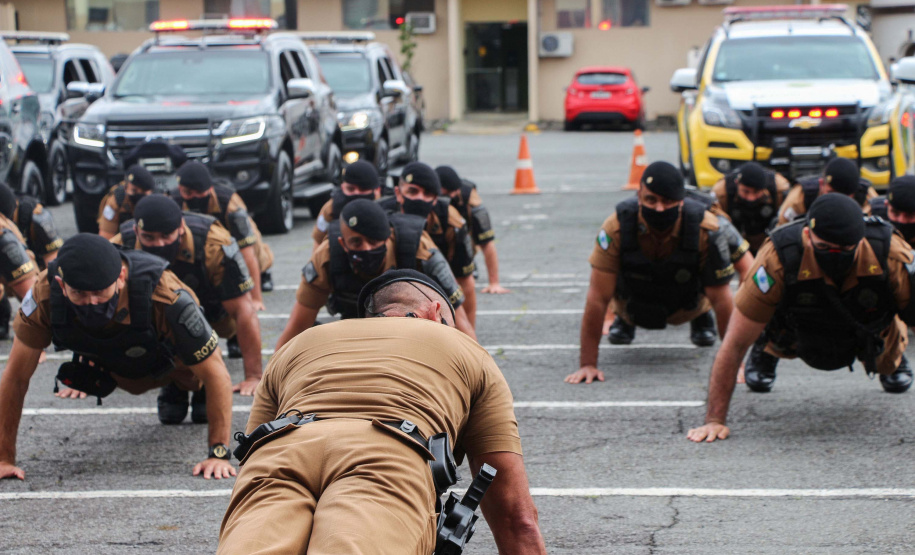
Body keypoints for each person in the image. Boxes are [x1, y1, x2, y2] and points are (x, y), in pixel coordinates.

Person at [218, 269, 546, 555]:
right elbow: (516, 519)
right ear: (435, 313)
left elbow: (253, 448)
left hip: (280, 452)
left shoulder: (298, 344)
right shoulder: (467, 350)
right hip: (387, 458)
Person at [0, 234, 235, 479]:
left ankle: (184, 387)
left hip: (170, 360)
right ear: (62, 285)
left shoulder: (164, 294)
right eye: (79, 293)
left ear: (121, 278)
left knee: (197, 377)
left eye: (99, 292)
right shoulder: (44, 293)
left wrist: (218, 453)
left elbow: (217, 374)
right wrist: (4, 458)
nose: (91, 302)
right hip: (112, 361)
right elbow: (16, 377)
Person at [688, 194, 915, 443]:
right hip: (797, 327)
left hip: (867, 326)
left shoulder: (891, 253)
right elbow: (734, 344)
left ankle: (894, 354)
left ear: (861, 240)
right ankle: (766, 350)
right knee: (755, 322)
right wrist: (714, 420)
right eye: (824, 247)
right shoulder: (778, 255)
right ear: (807, 235)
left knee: (888, 357)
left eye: (845, 249)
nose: (835, 255)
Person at [565, 161, 736, 385]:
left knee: (707, 286)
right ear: (639, 197)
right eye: (651, 200)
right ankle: (624, 322)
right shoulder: (616, 227)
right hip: (632, 305)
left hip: (688, 306)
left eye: (668, 201)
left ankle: (701, 319)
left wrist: (735, 366)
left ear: (681, 201)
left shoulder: (706, 229)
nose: (659, 209)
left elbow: (722, 301)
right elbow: (597, 298)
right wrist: (588, 364)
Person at [111, 195, 264, 396]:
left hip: (214, 313)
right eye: (148, 237)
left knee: (226, 325)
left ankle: (210, 368)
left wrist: (253, 376)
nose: (159, 244)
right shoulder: (119, 248)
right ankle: (174, 382)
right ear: (135, 231)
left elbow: (244, 309)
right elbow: (92, 301)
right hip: (157, 316)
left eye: (166, 235)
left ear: (181, 227)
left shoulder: (214, 244)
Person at [275, 199, 475, 348]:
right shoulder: (326, 257)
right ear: (342, 244)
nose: (366, 248)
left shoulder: (420, 250)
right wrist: (268, 380)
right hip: (353, 336)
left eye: (373, 241)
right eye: (356, 242)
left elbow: (460, 324)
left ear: (387, 237)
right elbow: (297, 326)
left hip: (411, 339)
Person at [379, 162, 479, 326]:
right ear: (398, 193)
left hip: (436, 280)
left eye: (427, 194)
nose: (419, 198)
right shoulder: (379, 217)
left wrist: (468, 334)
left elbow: (465, 281)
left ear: (435, 199)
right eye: (413, 191)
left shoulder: (451, 220)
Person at [171, 161, 274, 304]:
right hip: (196, 242)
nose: (194, 197)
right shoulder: (172, 202)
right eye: (188, 193)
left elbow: (247, 250)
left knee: (251, 240)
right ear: (180, 189)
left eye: (199, 192)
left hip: (230, 239)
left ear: (210, 188)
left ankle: (263, 272)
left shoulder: (229, 202)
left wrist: (256, 299)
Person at [435, 165, 511, 294]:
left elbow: (487, 242)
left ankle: (466, 262)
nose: (451, 197)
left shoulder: (469, 197)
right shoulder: (420, 197)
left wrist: (494, 283)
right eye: (445, 194)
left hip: (458, 241)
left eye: (453, 193)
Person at [711, 161, 791, 254]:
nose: (751, 198)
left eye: (756, 192)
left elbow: (790, 223)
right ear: (737, 183)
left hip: (771, 244)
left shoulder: (780, 189)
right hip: (734, 245)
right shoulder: (721, 192)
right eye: (746, 191)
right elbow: (714, 226)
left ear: (764, 187)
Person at [777, 157, 877, 225]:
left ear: (854, 192)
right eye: (831, 192)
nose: (836, 200)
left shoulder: (866, 196)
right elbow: (783, 229)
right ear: (821, 184)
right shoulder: (801, 195)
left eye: (844, 195)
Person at [311, 160, 380, 245]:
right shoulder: (332, 208)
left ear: (377, 190)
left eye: (363, 189)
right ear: (343, 187)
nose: (356, 193)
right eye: (351, 189)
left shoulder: (387, 205)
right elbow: (318, 242)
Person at [97, 164, 157, 240]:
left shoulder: (157, 202)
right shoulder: (116, 201)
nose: (137, 195)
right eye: (133, 190)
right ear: (125, 187)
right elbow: (106, 236)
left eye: (143, 192)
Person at [869, 175, 915, 247]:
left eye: (909, 215)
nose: (901, 220)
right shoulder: (872, 216)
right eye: (895, 213)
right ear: (886, 205)